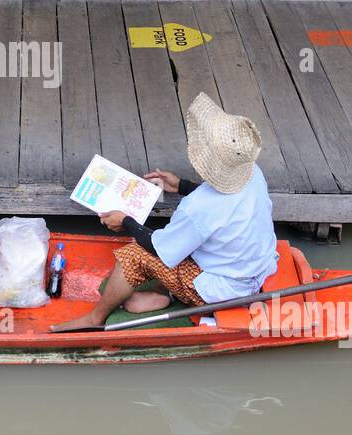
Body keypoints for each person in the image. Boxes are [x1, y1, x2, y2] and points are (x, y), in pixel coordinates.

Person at [51, 93, 278, 333]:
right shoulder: (251, 171)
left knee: (133, 255)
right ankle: (164, 294)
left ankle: (95, 318)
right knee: (181, 240)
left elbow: (159, 247)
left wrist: (125, 221)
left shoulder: (197, 208)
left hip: (225, 288)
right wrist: (181, 185)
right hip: (255, 268)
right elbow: (226, 203)